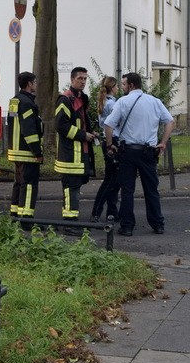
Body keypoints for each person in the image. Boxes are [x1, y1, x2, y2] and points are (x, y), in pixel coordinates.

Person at [103, 73, 175, 237]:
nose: (122, 87)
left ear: (131, 85)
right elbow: (170, 121)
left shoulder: (122, 102)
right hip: (149, 152)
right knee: (151, 189)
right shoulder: (155, 101)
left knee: (127, 190)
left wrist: (109, 145)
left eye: (124, 84)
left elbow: (108, 125)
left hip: (128, 152)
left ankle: (127, 226)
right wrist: (163, 142)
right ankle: (158, 224)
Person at [54, 66, 97, 225]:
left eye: (85, 79)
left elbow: (83, 122)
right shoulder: (65, 99)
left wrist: (91, 132)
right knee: (71, 190)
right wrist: (83, 135)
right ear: (72, 80)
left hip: (80, 154)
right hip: (70, 155)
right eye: (80, 78)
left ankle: (72, 221)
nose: (83, 82)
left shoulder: (81, 98)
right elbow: (61, 126)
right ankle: (70, 223)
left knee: (75, 188)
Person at [7, 72, 43, 219]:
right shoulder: (27, 103)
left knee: (19, 184)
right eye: (34, 82)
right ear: (29, 83)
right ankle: (26, 218)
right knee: (28, 186)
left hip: (15, 151)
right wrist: (37, 152)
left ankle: (15, 214)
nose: (36, 84)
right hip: (27, 152)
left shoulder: (15, 101)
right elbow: (29, 131)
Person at [91, 76, 121, 222]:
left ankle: (112, 211)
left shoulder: (104, 102)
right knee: (110, 180)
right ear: (112, 87)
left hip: (107, 140)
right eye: (117, 86)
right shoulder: (112, 104)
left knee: (114, 180)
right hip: (113, 140)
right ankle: (97, 212)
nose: (118, 88)